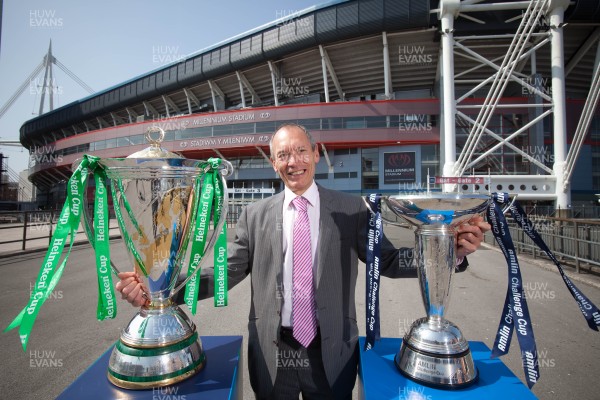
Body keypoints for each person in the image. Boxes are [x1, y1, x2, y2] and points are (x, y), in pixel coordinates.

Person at [116, 123, 490, 399]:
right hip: (271, 352)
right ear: (274, 162)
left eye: (299, 152)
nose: (292, 162)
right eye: (282, 155)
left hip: (332, 352)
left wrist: (450, 253)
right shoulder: (255, 215)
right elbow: (225, 271)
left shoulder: (350, 209)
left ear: (315, 153)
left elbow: (388, 261)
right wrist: (161, 290)